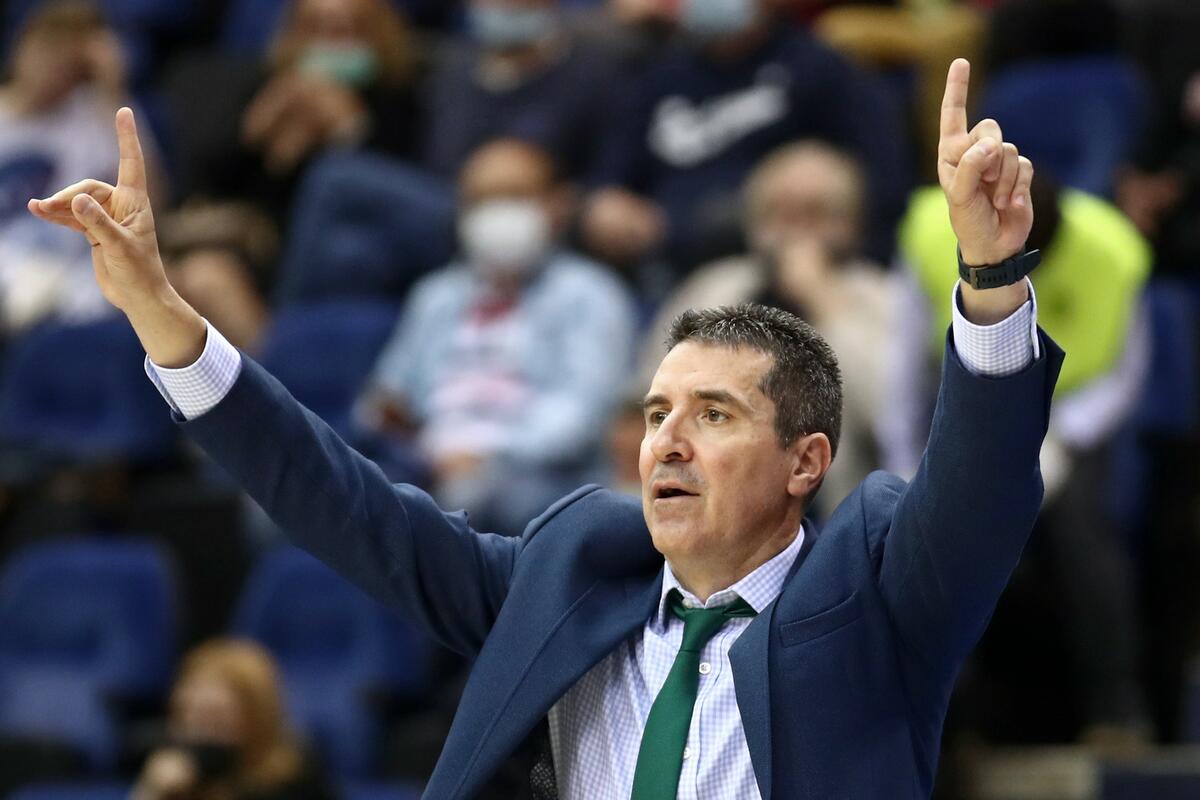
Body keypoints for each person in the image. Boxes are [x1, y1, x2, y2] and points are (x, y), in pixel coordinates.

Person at [30, 59, 1061, 798]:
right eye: (656, 413)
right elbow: (335, 496)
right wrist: (164, 317)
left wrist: (990, 277)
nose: (667, 441)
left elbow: (982, 483)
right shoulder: (571, 575)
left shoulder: (876, 596)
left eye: (714, 414)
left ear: (807, 462)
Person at [358, 138, 636, 536]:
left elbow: (583, 415)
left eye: (513, 196)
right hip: (429, 464)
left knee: (464, 501)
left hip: (534, 474)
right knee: (338, 495)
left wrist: (486, 455)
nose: (496, 214)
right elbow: (386, 396)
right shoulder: (435, 295)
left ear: (558, 205)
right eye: (480, 201)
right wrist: (389, 418)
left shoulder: (590, 293)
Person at [635, 140, 894, 515]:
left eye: (816, 213)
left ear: (852, 224)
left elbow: (890, 415)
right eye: (780, 213)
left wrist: (823, 299)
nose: (797, 230)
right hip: (710, 495)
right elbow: (650, 395)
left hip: (840, 506)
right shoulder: (714, 287)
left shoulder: (881, 296)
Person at [582, 0, 911, 275]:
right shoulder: (660, 76)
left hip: (775, 263)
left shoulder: (817, 67)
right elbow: (609, 179)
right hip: (661, 264)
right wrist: (610, 206)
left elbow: (883, 183)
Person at [0, 0, 162, 333]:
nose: (50, 69)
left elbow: (151, 204)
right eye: (46, 49)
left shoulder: (93, 117)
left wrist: (113, 90)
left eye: (66, 62)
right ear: (22, 47)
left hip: (69, 281)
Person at [422, 0, 624, 180]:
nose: (502, 5)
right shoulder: (455, 69)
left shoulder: (592, 72)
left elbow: (606, 173)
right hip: (447, 199)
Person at [132, 639, 335, 800]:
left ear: (256, 720)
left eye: (215, 719)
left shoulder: (290, 785)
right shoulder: (177, 774)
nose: (200, 735)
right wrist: (151, 792)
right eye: (188, 716)